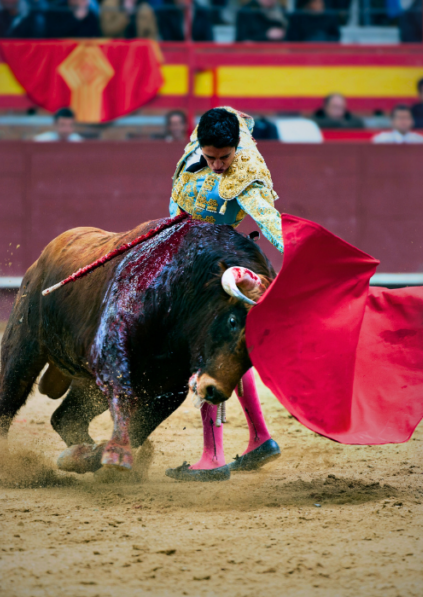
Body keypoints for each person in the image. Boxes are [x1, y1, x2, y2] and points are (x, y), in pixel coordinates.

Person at [165, 107, 283, 481]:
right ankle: (260, 437)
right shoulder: (202, 141)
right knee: (227, 352)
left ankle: (213, 456)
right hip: (193, 254)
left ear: (236, 150)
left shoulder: (247, 171)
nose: (217, 165)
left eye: (224, 157)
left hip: (218, 270)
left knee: (209, 353)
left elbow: (270, 220)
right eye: (211, 157)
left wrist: (296, 255)